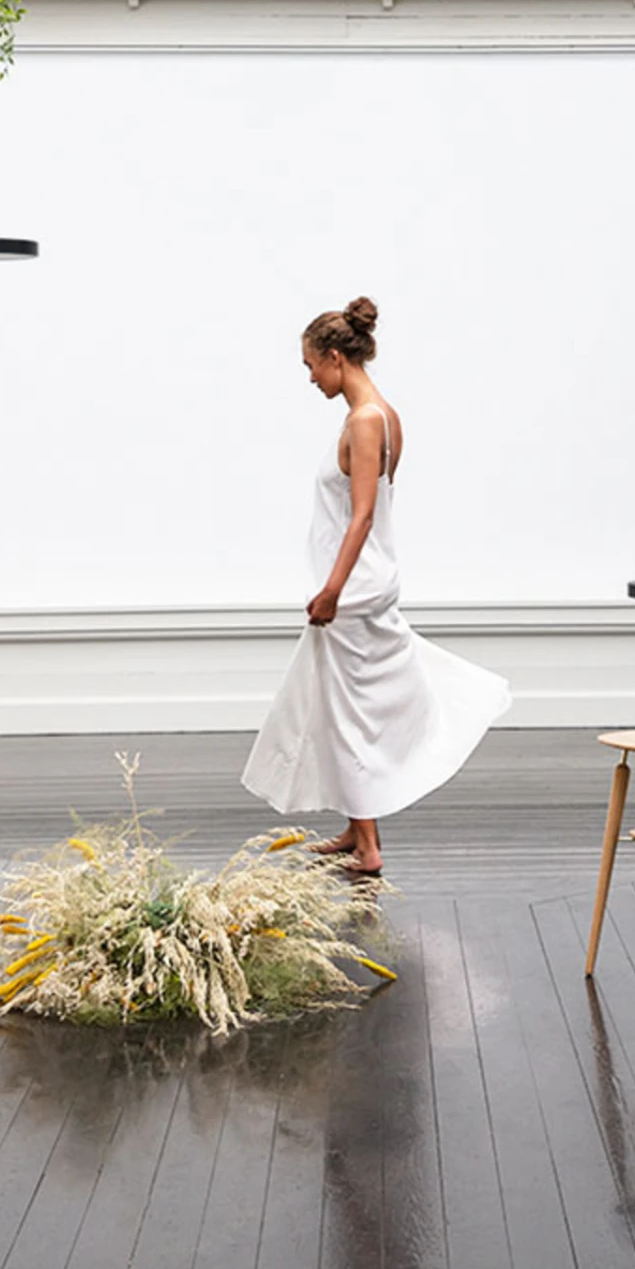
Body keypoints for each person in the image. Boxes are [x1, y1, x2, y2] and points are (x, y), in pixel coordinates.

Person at [241, 297, 512, 876]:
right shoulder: (386, 415)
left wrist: (332, 590)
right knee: (342, 706)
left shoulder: (365, 421)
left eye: (311, 365)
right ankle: (357, 828)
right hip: (366, 583)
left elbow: (363, 515)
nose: (310, 378)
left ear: (335, 358)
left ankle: (367, 847)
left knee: (345, 716)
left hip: (354, 591)